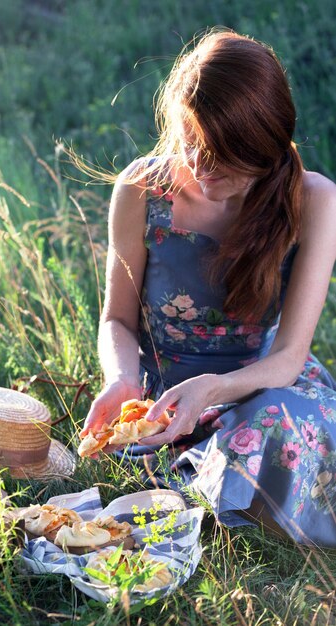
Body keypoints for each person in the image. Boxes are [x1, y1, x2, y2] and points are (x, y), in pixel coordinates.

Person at [80, 29, 336, 546]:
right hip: (164, 397)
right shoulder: (143, 190)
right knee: (165, 440)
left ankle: (219, 482)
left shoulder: (314, 201)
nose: (197, 165)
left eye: (220, 155)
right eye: (190, 140)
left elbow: (288, 359)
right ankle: (220, 485)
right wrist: (122, 379)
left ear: (262, 147)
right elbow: (117, 320)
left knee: (278, 423)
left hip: (261, 388)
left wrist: (215, 390)